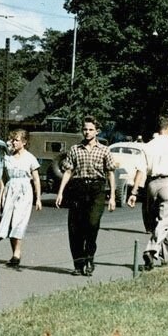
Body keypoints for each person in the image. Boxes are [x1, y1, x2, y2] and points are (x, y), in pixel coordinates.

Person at [127, 115, 168, 270]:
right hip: (167, 183)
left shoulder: (147, 146)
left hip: (151, 185)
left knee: (158, 223)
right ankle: (150, 250)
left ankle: (166, 257)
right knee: (164, 221)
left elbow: (140, 171)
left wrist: (134, 193)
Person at [55, 116, 117, 277]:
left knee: (92, 224)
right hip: (78, 188)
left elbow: (110, 173)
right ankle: (78, 263)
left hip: (97, 189)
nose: (87, 132)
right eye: (85, 129)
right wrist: (61, 192)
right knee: (75, 228)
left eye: (90, 129)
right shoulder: (75, 149)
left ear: (97, 131)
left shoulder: (104, 150)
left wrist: (112, 197)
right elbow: (68, 171)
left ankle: (89, 258)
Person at [0, 129, 42, 268]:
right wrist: (0, 197)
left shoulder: (30, 158)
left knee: (18, 222)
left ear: (24, 142)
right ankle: (15, 254)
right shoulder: (7, 158)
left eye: (16, 140)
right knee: (9, 223)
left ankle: (17, 252)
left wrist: (38, 198)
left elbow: (36, 179)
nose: (13, 143)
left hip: (24, 192)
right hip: (10, 190)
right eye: (12, 140)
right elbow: (4, 179)